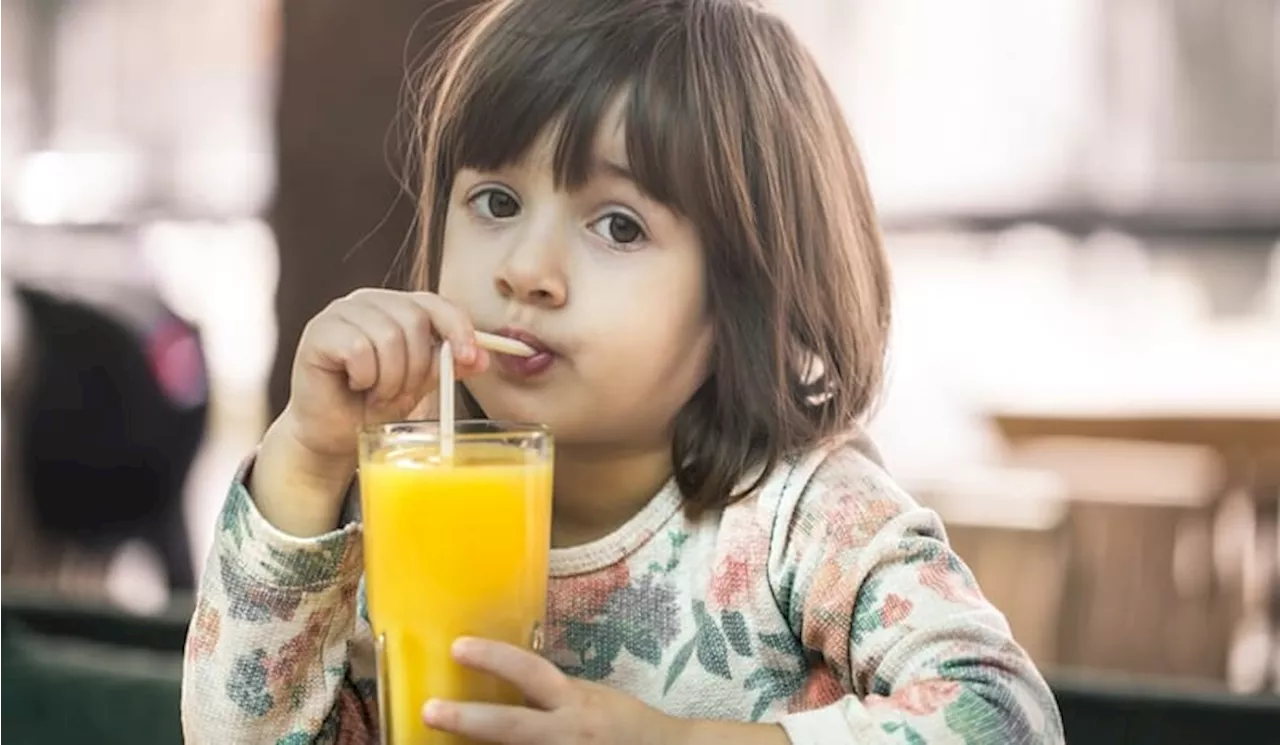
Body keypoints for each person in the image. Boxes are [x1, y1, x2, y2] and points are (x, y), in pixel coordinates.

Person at [181, 0, 1065, 742]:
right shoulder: (398, 501)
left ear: (743, 298)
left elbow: (1005, 716)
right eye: (495, 201)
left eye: (619, 225)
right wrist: (305, 459)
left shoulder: (805, 521)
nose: (527, 268)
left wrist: (672, 739)